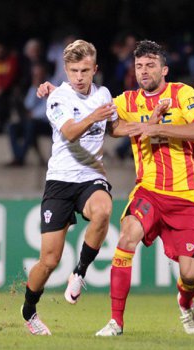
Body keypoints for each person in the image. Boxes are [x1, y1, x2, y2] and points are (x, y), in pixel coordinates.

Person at [37, 40, 194, 337]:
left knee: (189, 274)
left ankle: (185, 302)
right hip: (148, 191)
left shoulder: (183, 93)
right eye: (139, 66)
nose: (144, 71)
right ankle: (116, 322)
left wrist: (158, 128)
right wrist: (56, 92)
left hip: (187, 196)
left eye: (151, 65)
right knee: (127, 236)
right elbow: (88, 104)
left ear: (164, 69)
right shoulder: (127, 101)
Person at [20, 39, 118, 336]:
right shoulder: (56, 97)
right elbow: (71, 132)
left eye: (85, 70)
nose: (79, 76)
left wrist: (146, 125)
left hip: (90, 176)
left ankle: (79, 273)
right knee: (49, 260)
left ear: (94, 69)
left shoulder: (103, 94)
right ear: (65, 69)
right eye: (74, 70)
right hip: (60, 182)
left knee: (103, 210)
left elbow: (114, 128)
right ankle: (29, 310)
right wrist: (94, 115)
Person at [6, 63, 52, 167]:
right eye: (35, 75)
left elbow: (49, 108)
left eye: (39, 74)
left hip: (47, 124)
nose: (37, 77)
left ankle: (20, 158)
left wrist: (33, 114)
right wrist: (34, 88)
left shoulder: (52, 85)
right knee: (12, 127)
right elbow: (28, 105)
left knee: (30, 124)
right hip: (33, 122)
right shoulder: (34, 87)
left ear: (44, 73)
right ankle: (18, 156)